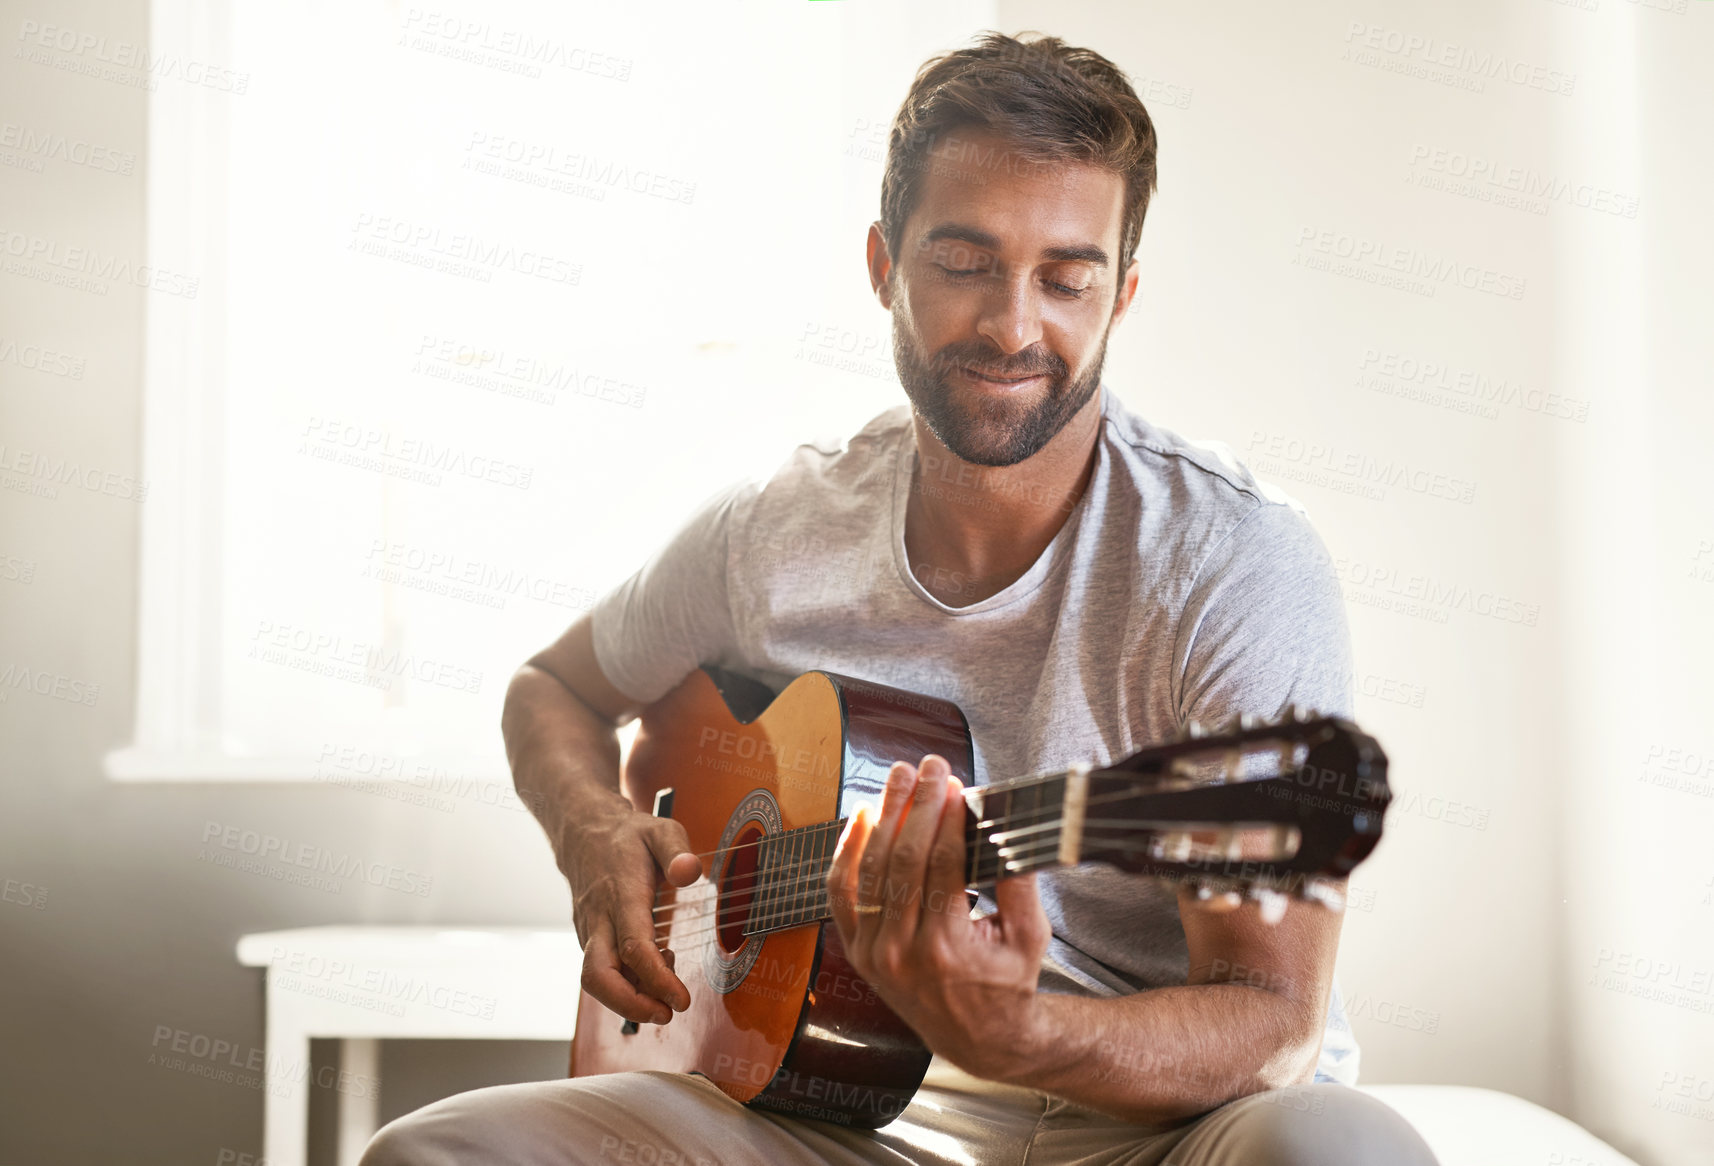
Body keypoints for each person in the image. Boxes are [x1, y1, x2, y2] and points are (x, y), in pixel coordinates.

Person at [362, 30, 1438, 1166]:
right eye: (964, 263)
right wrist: (594, 836)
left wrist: (1021, 1032)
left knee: (1339, 1149)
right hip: (832, 1110)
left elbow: (1270, 1019)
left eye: (1065, 278)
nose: (1014, 326)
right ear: (883, 263)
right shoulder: (775, 529)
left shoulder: (1231, 562)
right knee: (431, 1154)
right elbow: (553, 691)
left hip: (1168, 1129)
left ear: (1120, 294)